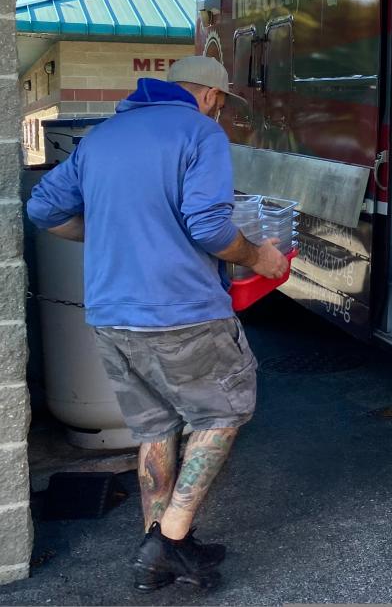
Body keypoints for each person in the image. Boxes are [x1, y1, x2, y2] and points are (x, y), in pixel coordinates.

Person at [26, 56, 288, 591]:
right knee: (224, 413)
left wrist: (103, 235)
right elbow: (210, 225)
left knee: (155, 427)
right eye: (220, 102)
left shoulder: (102, 136)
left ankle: (167, 543)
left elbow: (43, 210)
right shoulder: (200, 132)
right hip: (182, 313)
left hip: (110, 316)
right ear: (211, 96)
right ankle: (165, 542)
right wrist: (259, 258)